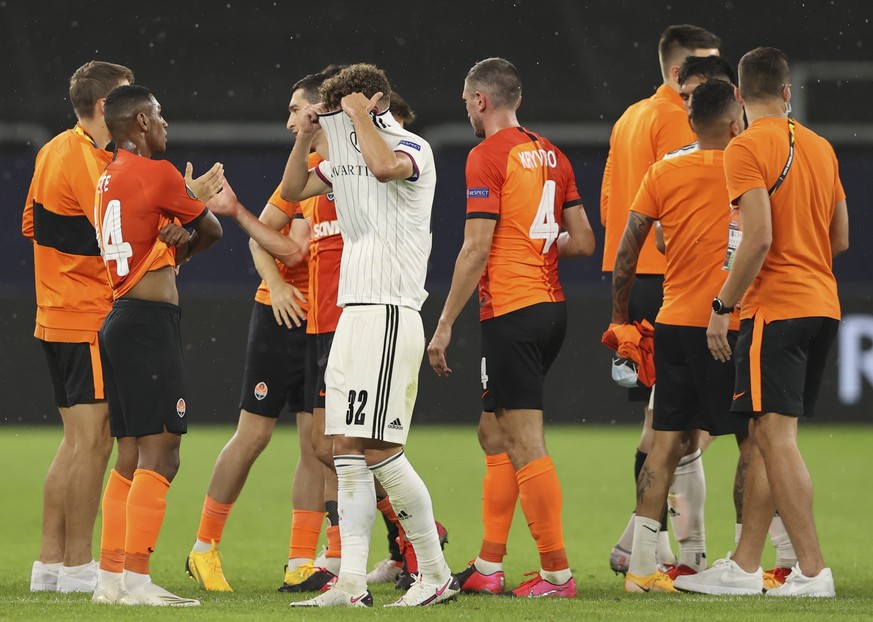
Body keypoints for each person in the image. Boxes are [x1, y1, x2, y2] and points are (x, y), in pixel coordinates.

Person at [213, 63, 457, 608]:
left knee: (380, 450)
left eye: (338, 109)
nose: (330, 122)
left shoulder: (411, 146)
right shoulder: (339, 156)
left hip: (391, 311)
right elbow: (294, 187)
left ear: (371, 103)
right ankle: (349, 583)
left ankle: (434, 572)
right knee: (342, 450)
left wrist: (358, 114)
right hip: (352, 312)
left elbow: (385, 166)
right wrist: (305, 137)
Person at [675, 47, 848, 598]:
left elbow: (759, 237)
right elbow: (839, 237)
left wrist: (722, 307)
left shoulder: (746, 146)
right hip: (822, 303)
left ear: (741, 96)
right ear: (788, 91)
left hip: (777, 308)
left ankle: (813, 571)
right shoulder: (820, 147)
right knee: (766, 435)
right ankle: (746, 566)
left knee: (774, 436)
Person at [428, 57, 595, 598]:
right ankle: (489, 565)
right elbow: (584, 241)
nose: (467, 112)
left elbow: (476, 247)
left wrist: (445, 323)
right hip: (550, 309)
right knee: (492, 432)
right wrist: (534, 241)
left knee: (524, 441)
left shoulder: (487, 156)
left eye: (466, 102)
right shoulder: (554, 154)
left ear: (481, 100)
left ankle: (557, 575)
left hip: (512, 312)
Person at [185, 66, 343, 595]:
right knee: (252, 436)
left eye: (296, 109)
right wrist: (275, 284)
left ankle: (304, 560)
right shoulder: (305, 175)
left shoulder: (339, 168)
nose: (289, 120)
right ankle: (203, 548)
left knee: (316, 445)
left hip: (323, 317)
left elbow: (270, 233)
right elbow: (267, 239)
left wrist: (250, 225)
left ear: (320, 112)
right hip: (280, 316)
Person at [610, 79, 749, 592]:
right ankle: (743, 562)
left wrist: (620, 317)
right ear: (735, 123)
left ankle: (643, 567)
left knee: (666, 440)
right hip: (727, 325)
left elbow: (633, 248)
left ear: (691, 122)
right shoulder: (748, 170)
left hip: (672, 321)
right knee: (751, 442)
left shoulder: (664, 170)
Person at [91, 84, 224, 606]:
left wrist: (173, 228)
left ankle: (110, 579)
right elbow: (211, 229)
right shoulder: (159, 173)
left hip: (119, 316)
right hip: (148, 322)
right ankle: (140, 581)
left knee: (128, 454)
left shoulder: (108, 177)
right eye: (160, 115)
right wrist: (189, 222)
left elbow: (152, 230)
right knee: (164, 451)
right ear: (141, 121)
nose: (166, 123)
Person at [600, 24, 721, 575]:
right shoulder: (681, 116)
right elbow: (686, 208)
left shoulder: (629, 118)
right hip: (674, 281)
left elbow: (611, 208)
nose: (718, 76)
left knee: (663, 418)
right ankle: (674, 550)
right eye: (707, 65)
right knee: (684, 422)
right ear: (679, 73)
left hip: (636, 279)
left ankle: (642, 541)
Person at [23, 60, 134, 594]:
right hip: (86, 313)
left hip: (54, 311)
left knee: (74, 441)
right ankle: (77, 567)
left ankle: (49, 566)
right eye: (126, 97)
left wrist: (61, 262)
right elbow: (113, 226)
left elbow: (31, 222)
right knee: (95, 441)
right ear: (102, 105)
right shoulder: (88, 158)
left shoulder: (52, 149)